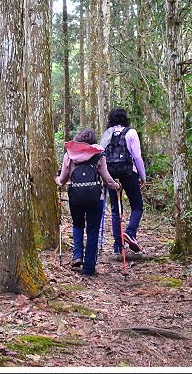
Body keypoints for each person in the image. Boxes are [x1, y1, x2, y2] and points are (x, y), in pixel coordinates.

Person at [55, 128, 120, 276]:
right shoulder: (98, 155)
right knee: (93, 231)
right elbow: (107, 179)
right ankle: (89, 267)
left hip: (75, 197)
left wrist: (57, 179)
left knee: (77, 225)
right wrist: (116, 186)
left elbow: (63, 180)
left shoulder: (69, 155)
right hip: (95, 198)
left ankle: (77, 256)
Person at [100, 108, 147, 255]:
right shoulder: (131, 132)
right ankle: (130, 232)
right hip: (128, 173)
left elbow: (101, 154)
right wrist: (142, 176)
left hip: (111, 174)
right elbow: (137, 157)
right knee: (137, 206)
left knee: (116, 210)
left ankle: (117, 246)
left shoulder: (107, 134)